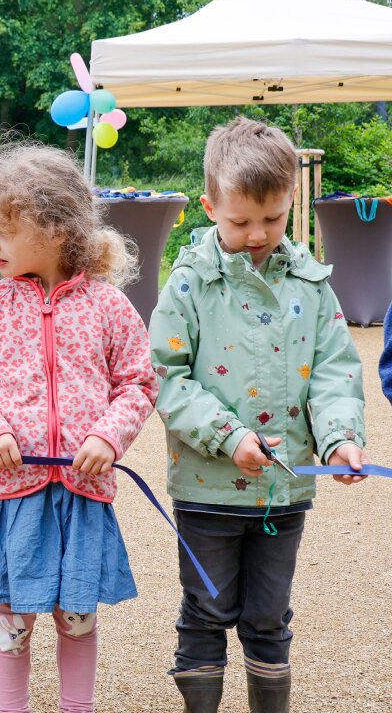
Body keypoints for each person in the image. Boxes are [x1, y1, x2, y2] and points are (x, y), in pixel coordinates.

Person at [150, 117, 368, 713]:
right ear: (210, 205)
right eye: (240, 221)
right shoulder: (188, 285)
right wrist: (228, 436)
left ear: (290, 201)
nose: (257, 233)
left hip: (284, 491)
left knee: (269, 617)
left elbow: (334, 373)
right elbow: (165, 378)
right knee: (205, 610)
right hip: (206, 488)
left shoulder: (313, 284)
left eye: (271, 219)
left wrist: (339, 440)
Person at [0, 141, 156, 713]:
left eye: (5, 230)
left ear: (58, 230)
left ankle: (75, 708)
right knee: (10, 620)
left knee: (78, 617)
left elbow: (138, 383)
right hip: (13, 495)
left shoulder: (109, 306)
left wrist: (107, 437)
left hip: (83, 495)